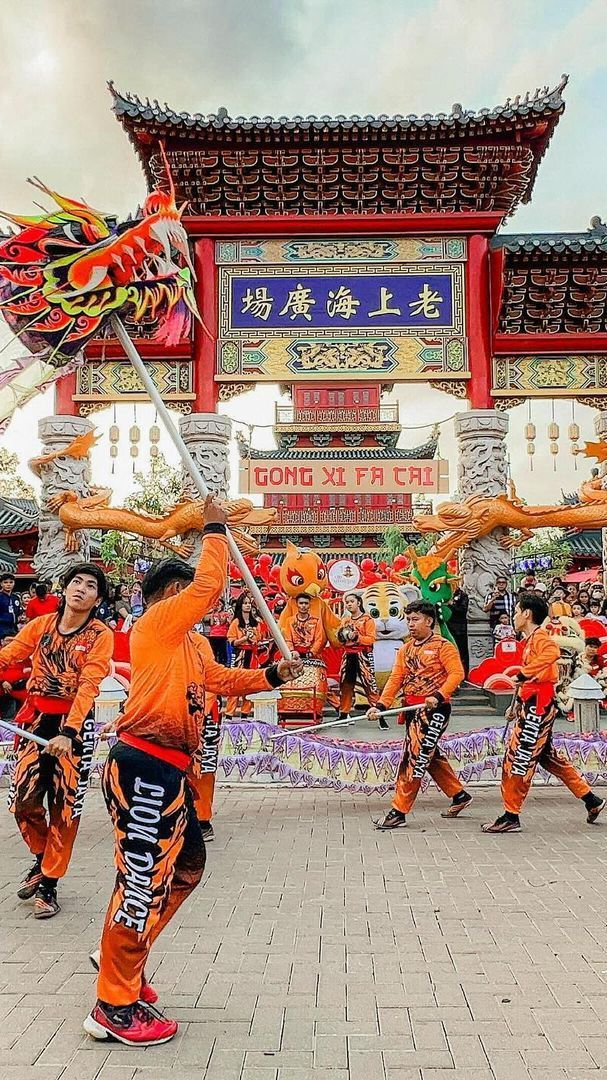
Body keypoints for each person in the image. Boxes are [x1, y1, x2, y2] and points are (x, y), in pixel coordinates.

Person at [86, 498, 229, 1046]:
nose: (203, 606)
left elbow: (218, 679)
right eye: (188, 593)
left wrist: (270, 673)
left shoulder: (188, 643)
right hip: (145, 763)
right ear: (171, 595)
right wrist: (215, 529)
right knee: (140, 881)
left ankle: (124, 959)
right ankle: (113, 1007)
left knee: (187, 865)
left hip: (171, 770)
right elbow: (209, 587)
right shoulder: (160, 620)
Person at [0, 563, 113, 917]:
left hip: (73, 725)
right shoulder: (41, 626)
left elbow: (89, 685)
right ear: (64, 589)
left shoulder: (99, 635)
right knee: (22, 801)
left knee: (64, 807)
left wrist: (69, 732)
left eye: (90, 585)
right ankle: (41, 859)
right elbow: (9, 656)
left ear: (98, 597)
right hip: (34, 720)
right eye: (75, 582)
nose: (81, 588)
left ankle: (49, 884)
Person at [482, 592, 605, 834]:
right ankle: (591, 800)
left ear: (526, 614)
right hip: (532, 704)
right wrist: (515, 704)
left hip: (538, 707)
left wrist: (524, 674)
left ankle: (511, 815)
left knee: (517, 759)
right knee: (550, 759)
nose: (515, 616)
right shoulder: (529, 640)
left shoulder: (540, 638)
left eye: (517, 611)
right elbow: (528, 677)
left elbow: (552, 655)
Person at [188, 634, 302, 842]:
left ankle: (202, 819)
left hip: (202, 713)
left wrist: (273, 675)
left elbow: (215, 679)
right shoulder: (147, 636)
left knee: (203, 768)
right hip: (168, 718)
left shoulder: (197, 642)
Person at [368, 600, 471, 828]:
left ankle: (398, 811)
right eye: (408, 619)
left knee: (414, 757)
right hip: (412, 710)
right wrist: (381, 706)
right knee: (429, 755)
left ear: (429, 621)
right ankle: (459, 795)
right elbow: (396, 679)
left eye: (415, 619)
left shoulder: (444, 646)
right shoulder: (405, 649)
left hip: (434, 710)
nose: (410, 624)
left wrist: (438, 695)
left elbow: (457, 674)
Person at [337, 591, 380, 724]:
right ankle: (344, 715)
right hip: (348, 655)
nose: (349, 604)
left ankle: (380, 714)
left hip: (363, 655)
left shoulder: (367, 620)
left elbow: (371, 639)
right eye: (347, 603)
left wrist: (356, 637)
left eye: (352, 602)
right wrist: (342, 637)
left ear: (359, 603)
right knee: (345, 685)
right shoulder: (345, 620)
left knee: (369, 685)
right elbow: (340, 639)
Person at [226, 593, 268, 718]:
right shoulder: (236, 623)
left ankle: (245, 713)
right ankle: (229, 714)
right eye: (245, 603)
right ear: (240, 605)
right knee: (235, 685)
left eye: (249, 603)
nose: (248, 605)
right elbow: (232, 641)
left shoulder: (256, 623)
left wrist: (256, 641)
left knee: (250, 685)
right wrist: (245, 638)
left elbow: (259, 639)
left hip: (252, 655)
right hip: (240, 655)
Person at [283, 593, 325, 660]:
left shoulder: (316, 621)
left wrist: (312, 652)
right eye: (301, 603)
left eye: (306, 603)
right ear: (297, 604)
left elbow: (319, 639)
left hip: (311, 655)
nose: (303, 606)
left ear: (309, 605)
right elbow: (288, 639)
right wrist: (292, 651)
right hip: (294, 655)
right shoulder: (289, 621)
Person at [446, 586, 469, 676]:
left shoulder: (463, 595)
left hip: (460, 629)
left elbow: (462, 610)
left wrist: (451, 604)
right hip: (448, 627)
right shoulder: (445, 595)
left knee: (461, 652)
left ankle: (463, 674)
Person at [207, 598, 231, 665]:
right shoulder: (213, 613)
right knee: (213, 651)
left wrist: (219, 614)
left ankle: (223, 663)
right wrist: (213, 613)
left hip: (222, 635)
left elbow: (222, 622)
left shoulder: (226, 614)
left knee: (222, 652)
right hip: (213, 635)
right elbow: (211, 624)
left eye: (220, 604)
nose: (218, 606)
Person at [0, 573, 21, 637]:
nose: (8, 584)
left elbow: (18, 612)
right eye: (5, 582)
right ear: (1, 584)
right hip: (2, 628)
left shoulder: (16, 598)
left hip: (14, 628)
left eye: (11, 582)